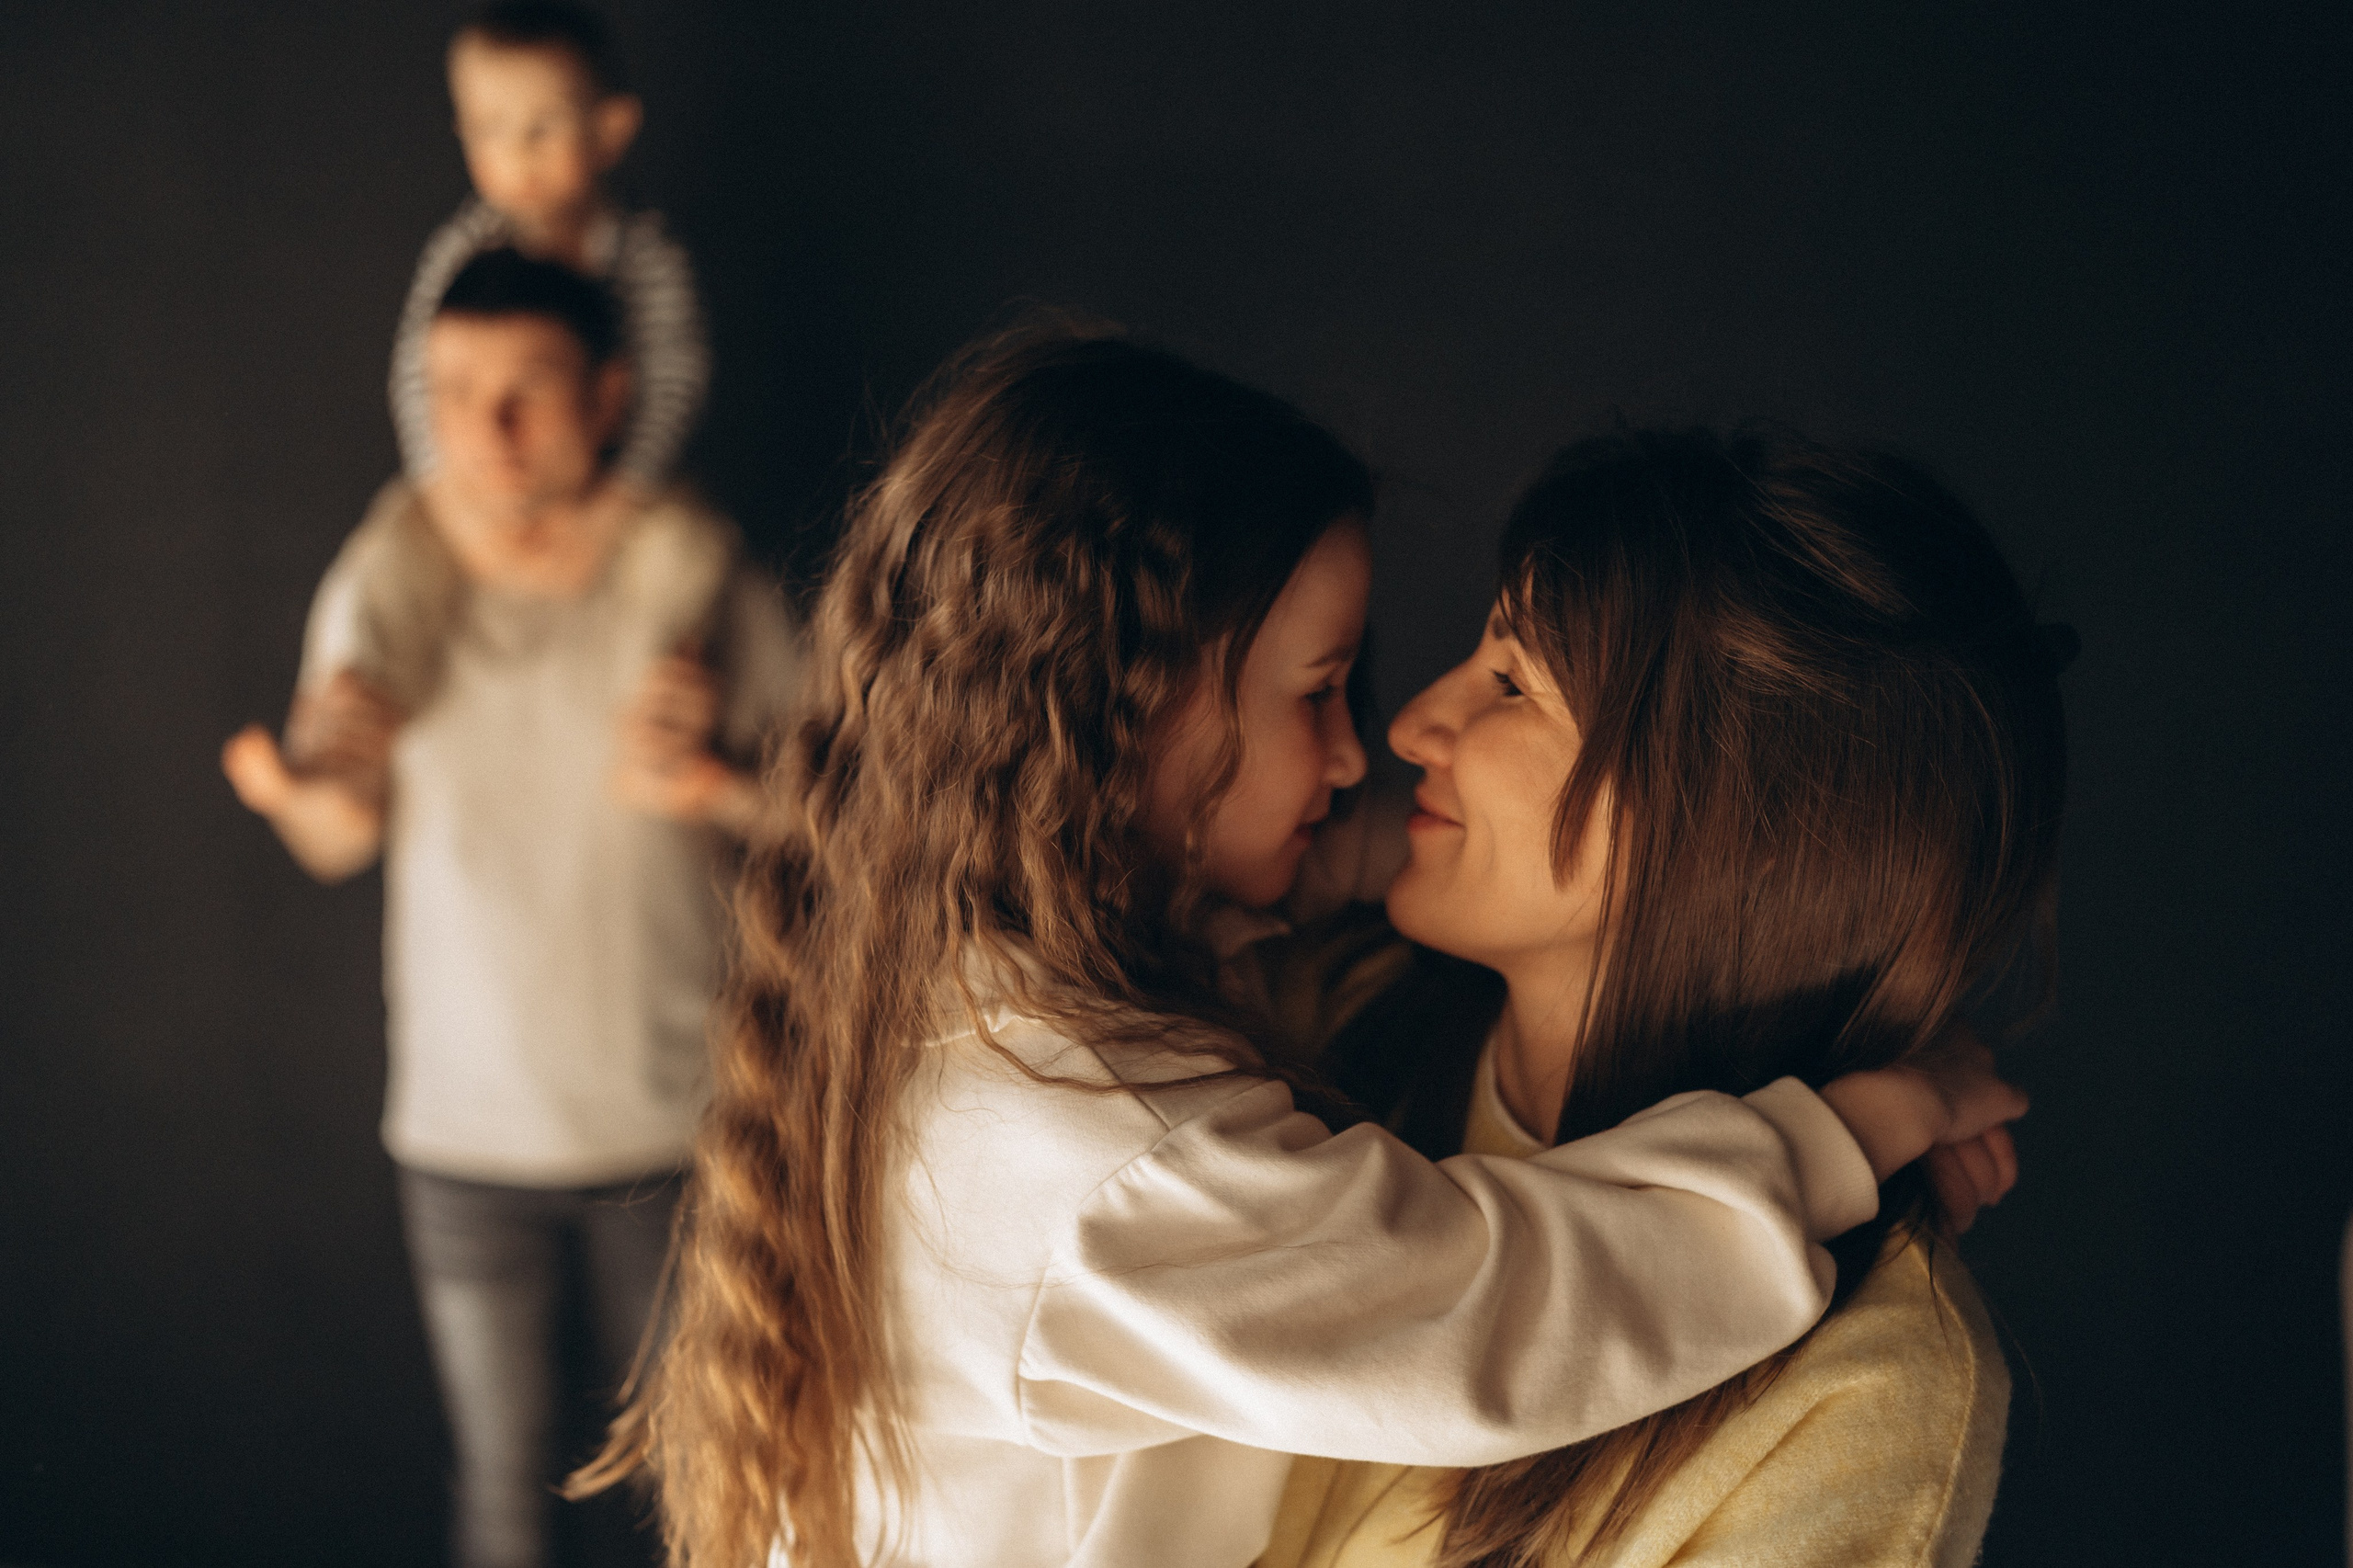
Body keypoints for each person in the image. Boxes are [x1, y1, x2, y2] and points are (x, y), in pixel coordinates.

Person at [574, 331, 2026, 1568]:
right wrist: (1857, 1124)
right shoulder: (1114, 1145)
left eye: (1509, 682)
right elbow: (1502, 1305)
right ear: (1124, 732)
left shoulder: (1008, 999)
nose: (1385, 742)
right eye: (1322, 692)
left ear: (1719, 827)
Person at [1258, 428, 2068, 1567]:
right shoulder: (1297, 1037)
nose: (1409, 727)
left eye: (1510, 682)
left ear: (1741, 828)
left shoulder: (1862, 1385)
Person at [222, 249, 800, 1568]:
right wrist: (303, 783)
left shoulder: (701, 586)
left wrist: (715, 774)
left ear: (607, 396)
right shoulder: (388, 588)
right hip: (462, 1131)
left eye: (525, 391)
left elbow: (839, 828)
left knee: (702, 1484)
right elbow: (333, 839)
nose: (485, 428)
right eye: (455, 390)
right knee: (502, 1483)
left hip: (671, 1127)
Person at [349, 0, 708, 712]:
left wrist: (620, 497)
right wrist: (445, 494)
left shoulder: (642, 256)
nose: (517, 157)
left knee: (688, 554)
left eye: (542, 129)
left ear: (610, 131)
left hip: (608, 477)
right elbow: (419, 371)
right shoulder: (462, 249)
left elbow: (676, 375)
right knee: (390, 552)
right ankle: (355, 715)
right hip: (469, 487)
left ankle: (658, 714)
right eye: (489, 131)